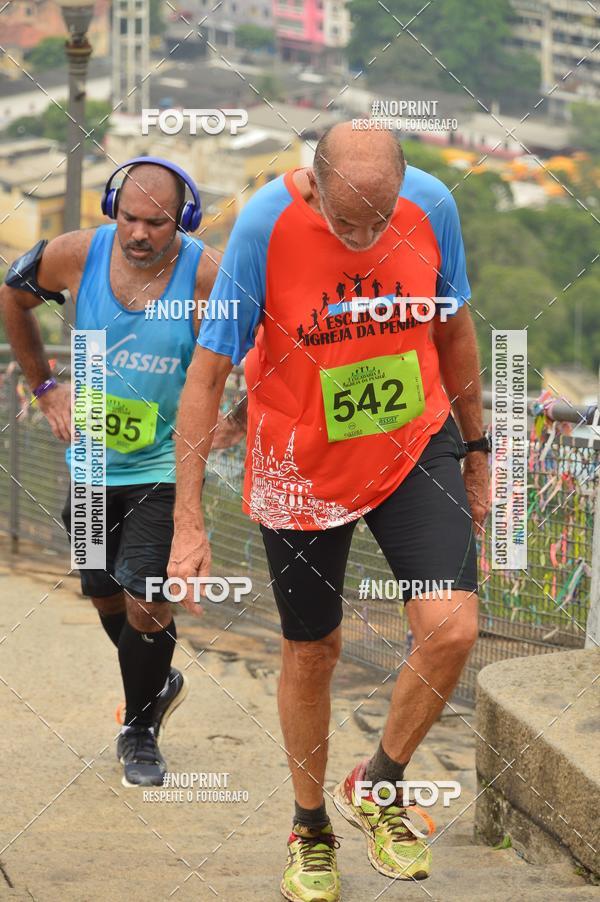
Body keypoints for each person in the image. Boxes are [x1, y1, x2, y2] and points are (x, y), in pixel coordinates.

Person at [168, 123, 490, 900]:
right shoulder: (263, 226)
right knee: (313, 651)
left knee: (452, 628)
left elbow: (453, 328)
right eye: (348, 223)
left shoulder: (433, 205)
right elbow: (207, 375)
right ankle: (309, 827)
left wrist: (477, 448)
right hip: (301, 460)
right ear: (313, 184)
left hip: (412, 441)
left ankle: (378, 784)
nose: (365, 239)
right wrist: (188, 522)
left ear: (403, 188)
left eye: (380, 221)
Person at [0, 157, 243, 788]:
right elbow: (13, 295)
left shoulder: (208, 275)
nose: (139, 233)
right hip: (90, 461)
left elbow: (276, 342)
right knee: (103, 589)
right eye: (130, 218)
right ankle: (158, 680)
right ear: (114, 211)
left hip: (163, 463)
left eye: (156, 223)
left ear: (183, 220)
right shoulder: (77, 255)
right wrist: (45, 387)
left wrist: (240, 418)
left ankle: (139, 729)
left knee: (148, 597)